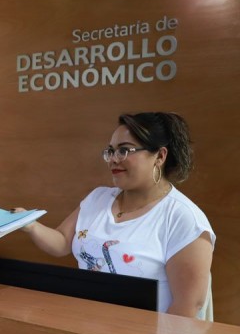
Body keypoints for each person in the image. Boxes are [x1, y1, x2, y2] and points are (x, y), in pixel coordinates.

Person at [16, 112, 214, 320]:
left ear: (160, 156)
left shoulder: (184, 219)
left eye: (124, 150)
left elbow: (187, 306)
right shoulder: (98, 198)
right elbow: (63, 241)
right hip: (85, 325)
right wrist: (31, 225)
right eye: (110, 151)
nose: (113, 159)